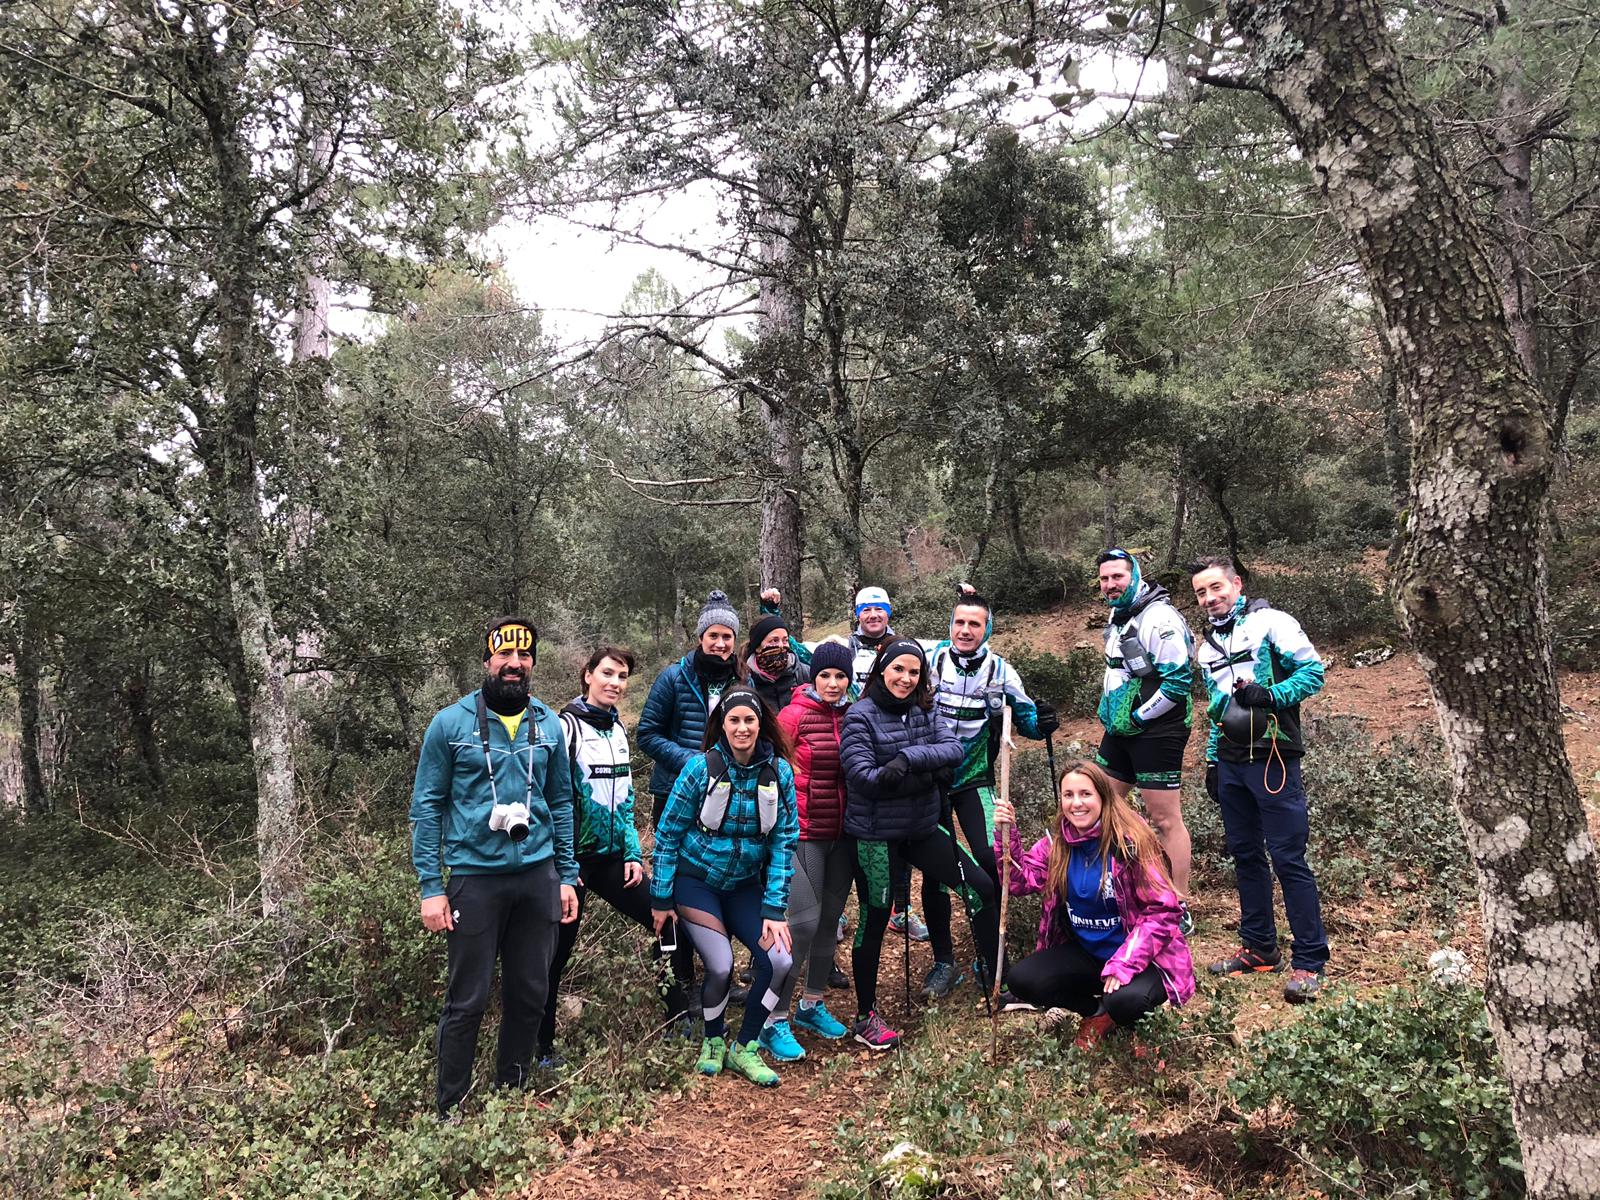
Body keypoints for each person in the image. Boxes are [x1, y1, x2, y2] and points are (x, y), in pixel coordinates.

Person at [410, 617, 580, 1116]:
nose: (514, 664)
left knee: (531, 991)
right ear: (487, 661)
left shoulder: (549, 724)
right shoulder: (450, 724)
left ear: (532, 664)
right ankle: (452, 1108)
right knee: (469, 999)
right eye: (504, 656)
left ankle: (512, 1091)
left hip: (537, 875)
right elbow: (427, 806)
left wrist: (567, 875)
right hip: (474, 878)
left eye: (523, 656)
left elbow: (563, 802)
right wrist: (430, 886)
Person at [538, 647, 693, 1067]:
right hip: (571, 864)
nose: (615, 683)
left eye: (622, 676)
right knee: (555, 954)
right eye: (607, 673)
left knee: (667, 918)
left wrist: (630, 851)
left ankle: (677, 1016)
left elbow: (625, 800)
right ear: (587, 675)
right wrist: (565, 866)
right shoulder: (564, 727)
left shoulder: (618, 729)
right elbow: (552, 800)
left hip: (610, 860)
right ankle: (541, 1050)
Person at [841, 639, 999, 1050]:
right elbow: (866, 779)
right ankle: (865, 1015)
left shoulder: (925, 709)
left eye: (914, 672)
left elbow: (953, 748)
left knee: (981, 886)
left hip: (923, 827)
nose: (906, 679)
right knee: (875, 920)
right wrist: (929, 775)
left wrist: (908, 762)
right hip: (875, 836)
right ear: (881, 670)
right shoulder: (859, 717)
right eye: (898, 670)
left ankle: (993, 971)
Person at [1190, 556, 1329, 1003]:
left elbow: (1313, 673)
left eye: (1216, 588)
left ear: (1236, 584)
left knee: (1288, 857)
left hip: (1274, 755)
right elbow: (1215, 710)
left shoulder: (1272, 623)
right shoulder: (1206, 646)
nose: (1210, 598)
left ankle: (1309, 960)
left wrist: (1270, 695)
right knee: (1246, 855)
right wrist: (1212, 761)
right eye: (1200, 593)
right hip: (1232, 761)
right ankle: (1259, 948)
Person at [760, 584, 931, 944]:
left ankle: (899, 911)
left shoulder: (895, 655)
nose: (834, 683)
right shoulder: (799, 708)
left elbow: (946, 650)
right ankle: (782, 976)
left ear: (889, 612)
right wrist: (770, 611)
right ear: (857, 614)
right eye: (866, 609)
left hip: (854, 812)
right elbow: (784, 644)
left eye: (879, 609)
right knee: (809, 908)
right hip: (809, 820)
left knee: (876, 866)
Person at [650, 686, 799, 1086]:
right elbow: (667, 835)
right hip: (696, 882)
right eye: (734, 720)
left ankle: (745, 1046)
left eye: (749, 719)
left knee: (780, 961)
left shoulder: (779, 773)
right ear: (722, 724)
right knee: (720, 965)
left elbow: (785, 840)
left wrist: (774, 908)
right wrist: (661, 897)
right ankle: (713, 1039)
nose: (742, 727)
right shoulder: (700, 768)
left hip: (745, 886)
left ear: (761, 723)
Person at [992, 761, 1195, 1048]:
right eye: (1068, 795)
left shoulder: (1131, 843)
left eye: (1085, 794)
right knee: (1024, 979)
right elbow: (1018, 881)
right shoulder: (1058, 844)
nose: (1076, 804)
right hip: (1089, 954)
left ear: (1103, 796)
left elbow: (1164, 911)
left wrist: (1125, 963)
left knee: (1126, 1000)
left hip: (1143, 958)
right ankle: (1096, 1013)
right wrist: (1006, 835)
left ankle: (1141, 1026)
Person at [920, 589, 1059, 999]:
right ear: (950, 626)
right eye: (959, 623)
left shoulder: (1000, 670)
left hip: (974, 779)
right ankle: (944, 962)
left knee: (994, 860)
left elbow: (1028, 719)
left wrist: (1044, 721)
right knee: (936, 874)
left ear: (987, 629)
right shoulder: (930, 661)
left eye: (974, 624)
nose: (965, 630)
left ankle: (990, 955)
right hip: (930, 783)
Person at [637, 589, 744, 989]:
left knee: (722, 879)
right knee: (677, 883)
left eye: (727, 637)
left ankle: (722, 974)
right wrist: (693, 764)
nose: (720, 644)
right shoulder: (674, 677)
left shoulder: (741, 678)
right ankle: (680, 979)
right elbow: (646, 733)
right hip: (675, 796)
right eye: (713, 635)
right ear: (700, 637)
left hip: (729, 797)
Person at [760, 639, 857, 1059]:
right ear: (812, 677)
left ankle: (811, 1004)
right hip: (803, 831)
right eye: (825, 676)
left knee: (829, 922)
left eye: (840, 676)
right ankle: (772, 1019)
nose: (833, 684)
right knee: (801, 923)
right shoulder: (793, 714)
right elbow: (769, 767)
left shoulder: (855, 715)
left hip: (843, 832)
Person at [1093, 549, 1197, 924]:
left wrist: (1138, 715)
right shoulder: (1120, 614)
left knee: (1165, 818)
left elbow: (1179, 683)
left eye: (1117, 577)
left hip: (1159, 729)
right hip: (1120, 729)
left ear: (1135, 575)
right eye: (1104, 579)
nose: (1110, 585)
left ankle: (1177, 904)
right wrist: (1111, 711)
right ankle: (1114, 889)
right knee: (1101, 805)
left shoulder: (1159, 617)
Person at [745, 611, 809, 713]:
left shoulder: (804, 673)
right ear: (757, 646)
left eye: (785, 640)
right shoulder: (746, 679)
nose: (781, 646)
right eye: (774, 640)